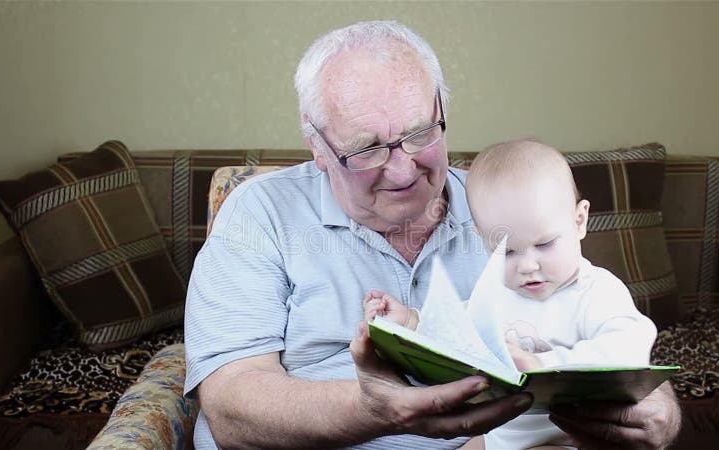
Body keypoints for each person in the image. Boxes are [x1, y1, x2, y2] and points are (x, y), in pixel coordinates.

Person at [184, 20, 681, 449]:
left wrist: (658, 409)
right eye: (367, 148)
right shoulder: (261, 213)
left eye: (421, 133)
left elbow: (593, 324)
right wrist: (372, 409)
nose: (402, 170)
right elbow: (232, 408)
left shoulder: (505, 206)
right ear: (318, 147)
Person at [364, 139, 660, 449]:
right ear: (483, 241)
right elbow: (454, 333)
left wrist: (543, 365)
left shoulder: (595, 291)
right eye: (507, 252)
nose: (528, 266)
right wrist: (409, 322)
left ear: (579, 220)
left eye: (545, 244)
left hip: (568, 438)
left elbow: (629, 348)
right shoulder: (494, 294)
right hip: (498, 439)